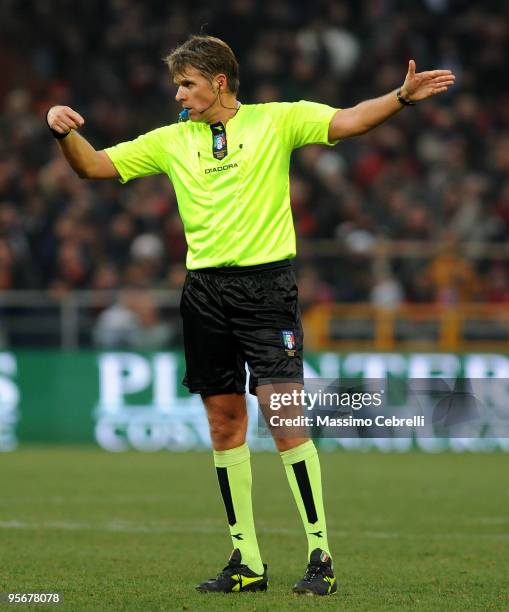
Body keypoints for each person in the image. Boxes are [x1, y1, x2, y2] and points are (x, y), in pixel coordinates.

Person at [46, 35, 455, 596]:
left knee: (284, 419)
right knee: (224, 425)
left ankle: (320, 557)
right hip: (204, 292)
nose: (178, 93)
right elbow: (92, 167)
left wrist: (401, 98)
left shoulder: (278, 120)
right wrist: (63, 132)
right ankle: (247, 562)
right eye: (177, 84)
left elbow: (351, 121)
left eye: (186, 83)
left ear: (219, 81)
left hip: (267, 290)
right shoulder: (169, 141)